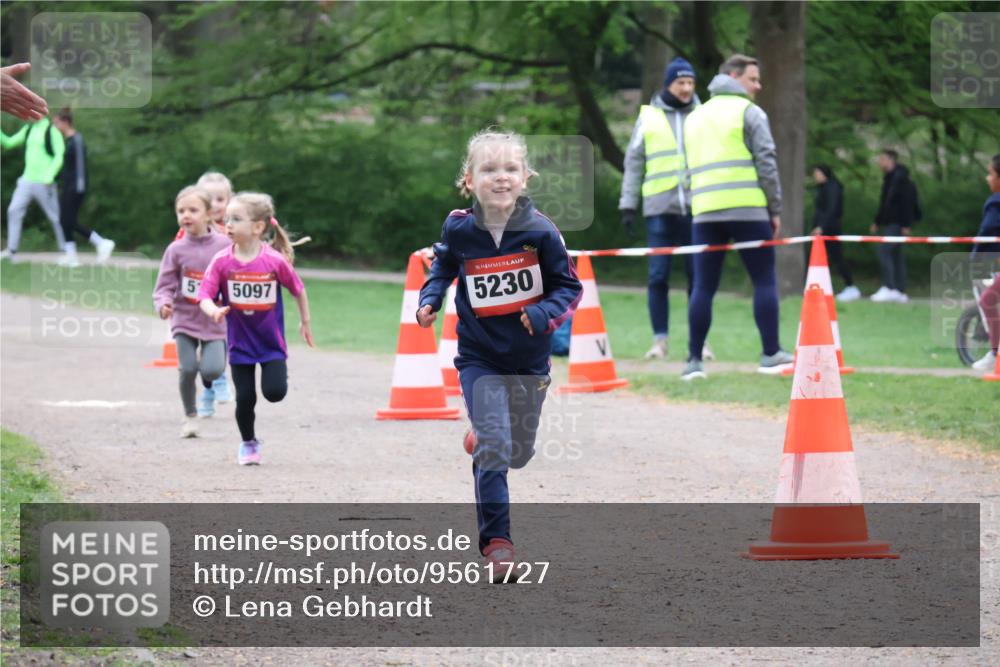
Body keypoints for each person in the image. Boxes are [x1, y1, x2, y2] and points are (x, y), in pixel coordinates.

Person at [416, 129, 582, 581]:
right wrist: (430, 299)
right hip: (479, 357)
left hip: (529, 361)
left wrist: (542, 311)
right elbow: (444, 265)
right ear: (469, 180)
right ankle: (498, 545)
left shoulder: (541, 232)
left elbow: (570, 287)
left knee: (519, 452)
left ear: (525, 178)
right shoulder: (459, 227)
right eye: (489, 169)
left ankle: (485, 438)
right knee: (494, 445)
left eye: (510, 168)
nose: (500, 177)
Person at [681, 54, 792, 380]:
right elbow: (767, 164)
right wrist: (775, 209)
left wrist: (696, 205)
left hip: (705, 213)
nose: (758, 86)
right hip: (748, 210)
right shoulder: (750, 112)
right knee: (763, 280)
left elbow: (686, 171)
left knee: (703, 286)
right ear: (734, 76)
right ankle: (770, 354)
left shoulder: (695, 118)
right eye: (753, 79)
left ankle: (693, 361)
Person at [198, 192, 314, 466]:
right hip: (240, 345)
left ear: (258, 227)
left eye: (236, 219)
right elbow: (204, 295)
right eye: (226, 219)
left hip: (271, 343)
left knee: (275, 393)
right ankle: (248, 442)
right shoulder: (222, 261)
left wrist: (305, 321)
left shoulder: (273, 261)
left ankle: (254, 432)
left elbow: (298, 289)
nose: (228, 224)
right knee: (246, 398)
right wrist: (213, 309)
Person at [619, 57, 712, 360]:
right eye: (680, 82)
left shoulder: (704, 115)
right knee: (658, 277)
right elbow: (633, 163)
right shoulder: (648, 116)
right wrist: (628, 205)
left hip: (697, 208)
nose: (686, 88)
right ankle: (660, 341)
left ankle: (700, 342)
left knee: (697, 277)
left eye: (690, 83)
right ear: (668, 84)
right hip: (659, 209)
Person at [153, 186, 232, 438]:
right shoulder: (175, 250)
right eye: (181, 210)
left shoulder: (224, 244)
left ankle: (213, 383)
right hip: (184, 318)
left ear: (209, 214)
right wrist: (163, 303)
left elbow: (238, 272)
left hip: (215, 319)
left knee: (212, 370)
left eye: (193, 210)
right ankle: (190, 416)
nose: (186, 215)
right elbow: (164, 285)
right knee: (187, 369)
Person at [183, 171, 236, 413]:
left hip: (222, 299)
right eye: (209, 198)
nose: (215, 204)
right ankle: (208, 390)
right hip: (196, 299)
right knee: (198, 346)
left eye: (220, 199)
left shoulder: (233, 230)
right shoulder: (188, 231)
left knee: (217, 342)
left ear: (229, 201)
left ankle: (219, 379)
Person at [51, 108, 115, 267]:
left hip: (76, 186)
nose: (55, 127)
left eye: (56, 123)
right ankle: (71, 256)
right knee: (64, 220)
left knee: (69, 220)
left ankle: (101, 243)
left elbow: (80, 166)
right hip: (68, 186)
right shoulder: (67, 141)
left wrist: (78, 187)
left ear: (65, 122)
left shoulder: (77, 140)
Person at [1, 116, 65, 261]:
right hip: (26, 181)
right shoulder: (28, 129)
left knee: (55, 217)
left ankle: (65, 250)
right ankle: (12, 250)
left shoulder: (51, 130)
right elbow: (9, 143)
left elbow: (59, 155)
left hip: (44, 182)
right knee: (13, 210)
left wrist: (50, 175)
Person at [870, 149, 920, 304]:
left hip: (898, 223)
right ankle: (900, 291)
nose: (879, 162)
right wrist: (877, 221)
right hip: (890, 222)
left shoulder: (901, 179)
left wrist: (906, 224)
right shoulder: (889, 179)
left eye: (882, 159)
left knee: (884, 251)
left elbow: (907, 202)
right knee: (897, 255)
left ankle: (889, 287)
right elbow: (885, 202)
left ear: (890, 160)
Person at [811, 165, 859, 301]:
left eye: (817, 173)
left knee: (837, 257)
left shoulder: (833, 187)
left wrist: (821, 226)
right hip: (822, 229)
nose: (815, 176)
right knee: (820, 258)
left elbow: (831, 209)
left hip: (830, 228)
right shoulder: (822, 188)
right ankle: (818, 287)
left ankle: (850, 286)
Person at [971, 153, 1000, 373]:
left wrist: (977, 256)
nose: (987, 178)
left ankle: (995, 353)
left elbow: (988, 230)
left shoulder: (996, 201)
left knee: (988, 300)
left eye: (990, 174)